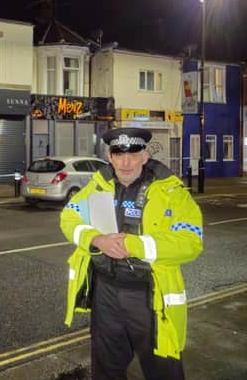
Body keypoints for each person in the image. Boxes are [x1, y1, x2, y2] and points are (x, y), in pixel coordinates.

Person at [60, 127, 203, 380]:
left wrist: (134, 245)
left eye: (134, 154)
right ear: (110, 156)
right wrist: (95, 238)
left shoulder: (172, 193)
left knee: (163, 370)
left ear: (145, 156)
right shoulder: (97, 186)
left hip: (149, 295)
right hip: (105, 292)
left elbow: (190, 242)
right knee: (105, 369)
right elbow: (69, 217)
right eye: (118, 154)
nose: (126, 162)